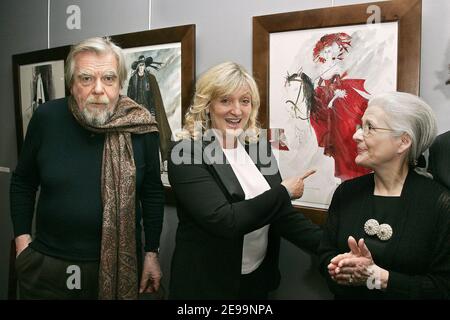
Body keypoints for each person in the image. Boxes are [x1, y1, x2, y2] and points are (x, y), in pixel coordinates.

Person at [10, 37, 165, 300]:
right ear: (71, 84)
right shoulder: (46, 119)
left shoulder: (141, 127)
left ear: (120, 84)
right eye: (85, 79)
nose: (98, 89)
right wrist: (22, 244)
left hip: (118, 266)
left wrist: (151, 253)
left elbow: (152, 193)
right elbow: (23, 182)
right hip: (48, 266)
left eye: (108, 78)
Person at [167, 61, 322, 299]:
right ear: (207, 105)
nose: (237, 111)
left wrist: (332, 248)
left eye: (245, 101)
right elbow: (224, 220)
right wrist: (284, 192)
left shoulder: (257, 146)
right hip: (207, 285)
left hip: (256, 278)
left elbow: (281, 214)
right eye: (226, 100)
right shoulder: (186, 152)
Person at [318, 91, 450, 299]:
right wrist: (341, 268)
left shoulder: (439, 204)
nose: (356, 135)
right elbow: (325, 255)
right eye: (361, 126)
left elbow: (443, 287)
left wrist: (377, 277)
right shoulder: (346, 193)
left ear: (403, 142)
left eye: (369, 127)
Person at [310, 33, 371, 181]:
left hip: (346, 113)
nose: (333, 61)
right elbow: (319, 115)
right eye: (328, 56)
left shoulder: (343, 82)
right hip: (335, 120)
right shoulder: (320, 87)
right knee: (344, 146)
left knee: (351, 138)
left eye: (336, 56)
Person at [127, 55, 172, 166]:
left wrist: (152, 112)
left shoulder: (150, 78)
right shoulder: (133, 79)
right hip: (136, 111)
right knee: (137, 138)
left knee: (151, 138)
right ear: (137, 66)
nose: (141, 67)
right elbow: (130, 95)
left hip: (148, 111)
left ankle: (156, 164)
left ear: (145, 66)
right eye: (140, 65)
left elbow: (154, 97)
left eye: (143, 65)